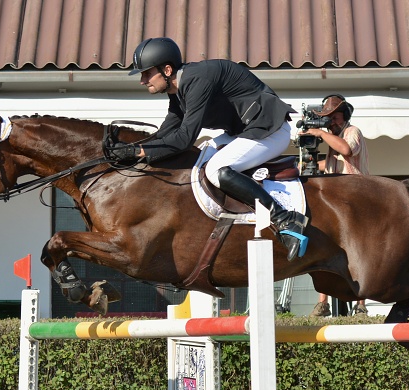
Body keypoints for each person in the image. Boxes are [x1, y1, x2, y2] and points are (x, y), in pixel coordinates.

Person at [106, 37, 308, 261]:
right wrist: (131, 149)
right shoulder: (179, 90)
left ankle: (284, 218)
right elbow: (165, 133)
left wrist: (137, 152)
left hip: (270, 130)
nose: (143, 81)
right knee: (200, 158)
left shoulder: (197, 80)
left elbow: (183, 139)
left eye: (146, 73)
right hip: (244, 132)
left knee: (215, 169)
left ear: (167, 69)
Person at [301, 94, 370, 316]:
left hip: (356, 197)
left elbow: (346, 150)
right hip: (337, 197)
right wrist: (304, 162)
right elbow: (332, 163)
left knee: (359, 251)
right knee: (326, 247)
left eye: (335, 116)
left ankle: (360, 304)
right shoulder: (333, 136)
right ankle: (323, 302)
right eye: (328, 117)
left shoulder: (352, 132)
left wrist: (320, 133)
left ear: (345, 115)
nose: (332, 120)